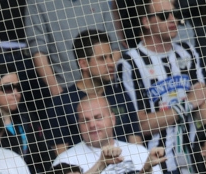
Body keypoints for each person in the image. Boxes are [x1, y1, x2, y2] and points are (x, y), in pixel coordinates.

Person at [117, 0, 206, 174]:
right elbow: (140, 125)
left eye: (175, 14)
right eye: (164, 15)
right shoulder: (129, 63)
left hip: (196, 160)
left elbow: (203, 104)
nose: (173, 19)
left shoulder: (187, 52)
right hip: (158, 167)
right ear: (146, 22)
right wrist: (187, 104)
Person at [52, 95, 168, 174]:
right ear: (79, 124)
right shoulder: (64, 161)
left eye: (98, 117)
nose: (92, 125)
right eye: (85, 120)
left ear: (112, 119)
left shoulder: (140, 152)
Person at [45, 29, 140, 157]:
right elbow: (63, 163)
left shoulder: (121, 96)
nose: (111, 63)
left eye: (111, 57)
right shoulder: (60, 105)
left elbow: (137, 147)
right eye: (102, 59)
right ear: (83, 63)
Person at [23, 0, 118, 96]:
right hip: (66, 89)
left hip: (105, 89)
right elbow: (38, 50)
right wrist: (57, 92)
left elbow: (116, 45)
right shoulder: (37, 2)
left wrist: (106, 79)